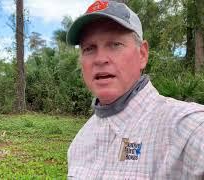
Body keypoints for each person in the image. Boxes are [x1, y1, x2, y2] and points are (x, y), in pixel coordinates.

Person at [66, 0, 204, 179]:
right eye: (89, 48)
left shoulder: (186, 128)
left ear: (142, 54)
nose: (100, 59)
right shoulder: (79, 142)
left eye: (115, 44)